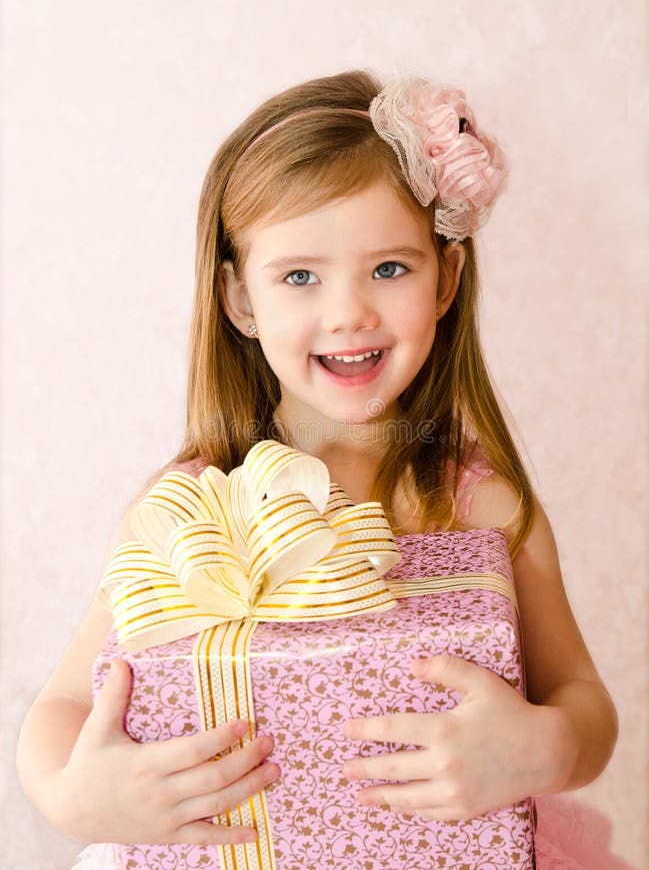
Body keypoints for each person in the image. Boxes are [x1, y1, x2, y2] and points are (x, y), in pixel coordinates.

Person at [17, 70, 618, 859]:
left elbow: (582, 699)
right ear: (240, 300)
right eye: (300, 275)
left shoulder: (479, 504)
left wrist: (547, 748)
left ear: (447, 280)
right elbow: (61, 703)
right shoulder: (193, 505)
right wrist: (71, 793)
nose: (348, 312)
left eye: (390, 268)